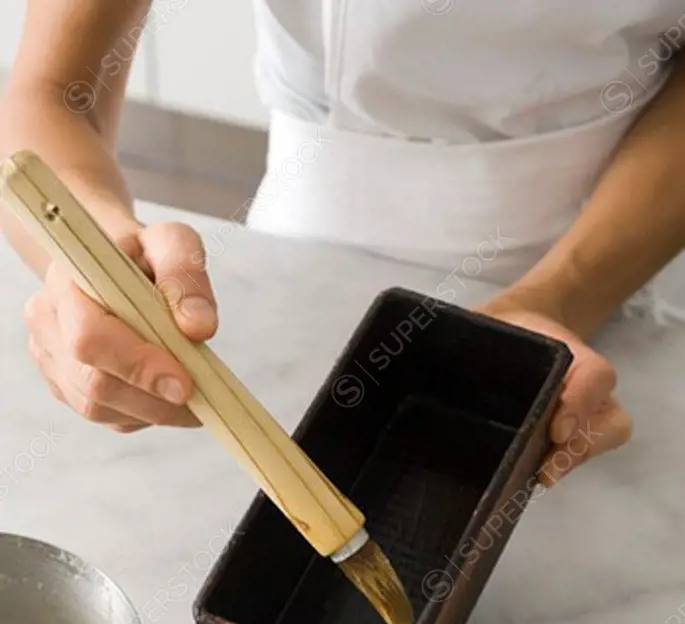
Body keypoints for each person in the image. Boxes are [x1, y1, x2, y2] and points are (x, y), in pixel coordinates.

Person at [1, 1, 683, 485]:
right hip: (282, 289)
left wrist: (561, 295)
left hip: (616, 261)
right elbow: (51, 90)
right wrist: (94, 258)